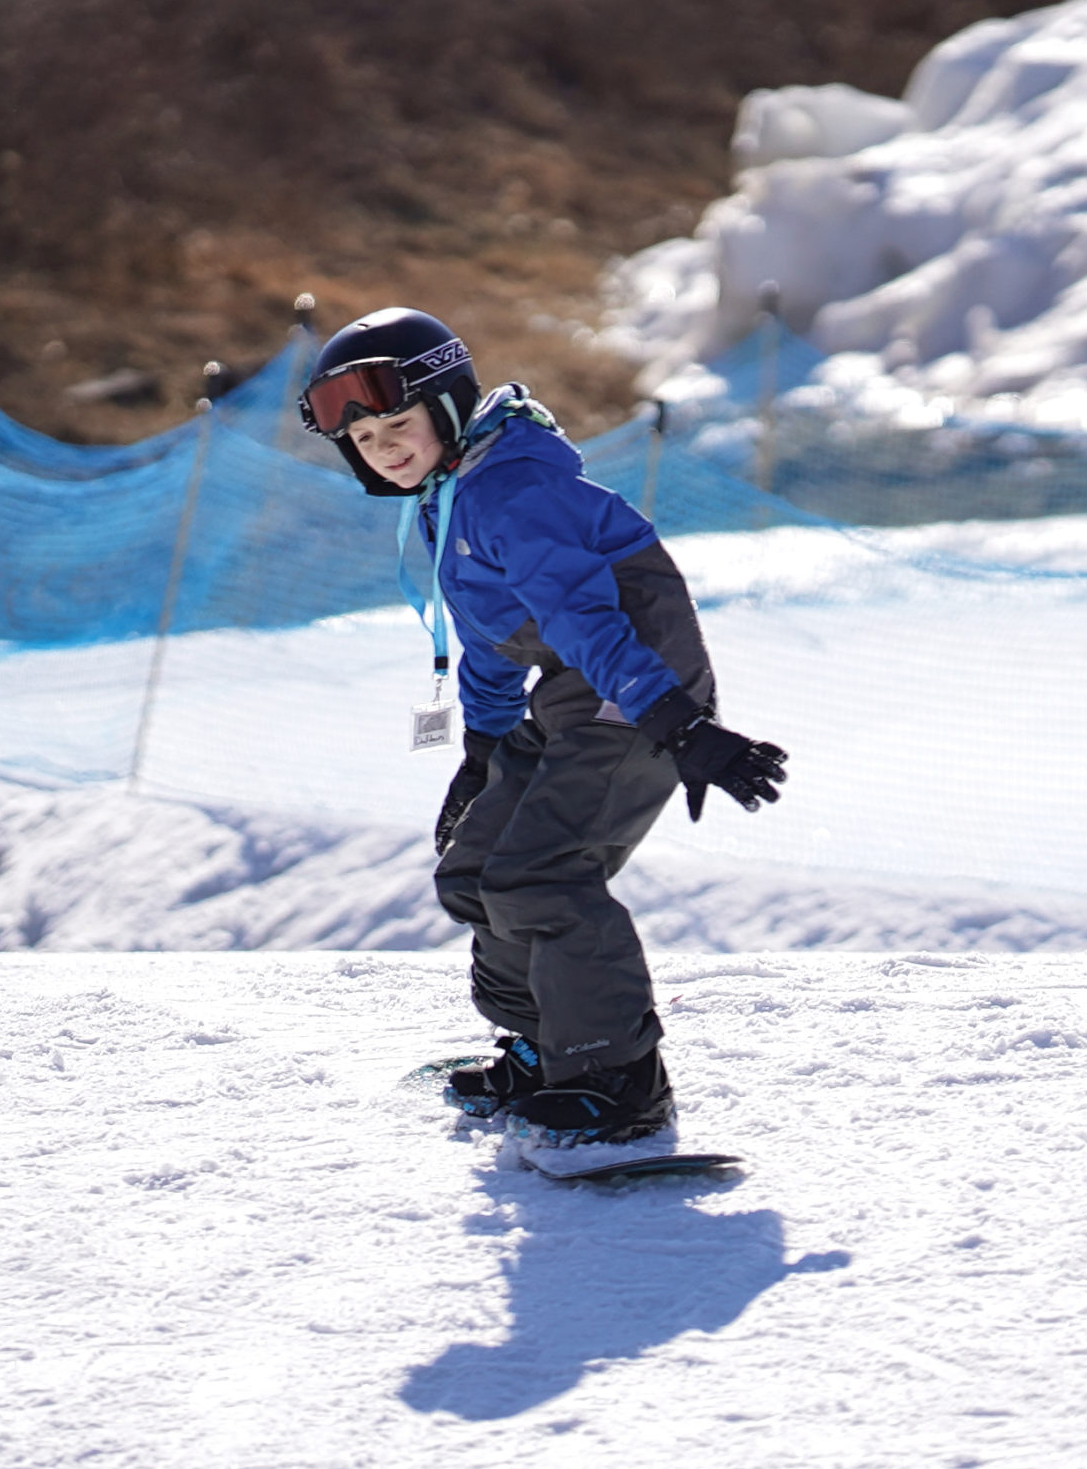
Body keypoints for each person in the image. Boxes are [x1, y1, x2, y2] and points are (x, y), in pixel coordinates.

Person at [299, 308, 788, 1141]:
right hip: (576, 685)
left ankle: (615, 1076)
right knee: (475, 868)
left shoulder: (514, 490)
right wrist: (485, 749)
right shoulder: (449, 496)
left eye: (398, 424)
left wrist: (678, 724)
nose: (384, 448)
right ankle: (541, 1048)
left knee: (542, 874)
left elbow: (584, 618)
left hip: (635, 678)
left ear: (448, 407)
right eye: (367, 440)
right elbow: (491, 636)